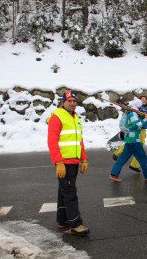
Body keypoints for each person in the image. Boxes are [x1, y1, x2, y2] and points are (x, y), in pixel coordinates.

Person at [47, 89, 90, 236]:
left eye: (74, 101)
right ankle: (75, 224)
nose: (72, 103)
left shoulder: (75, 118)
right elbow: (52, 142)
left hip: (73, 161)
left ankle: (63, 220)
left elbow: (79, 141)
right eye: (69, 101)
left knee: (63, 191)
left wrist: (84, 159)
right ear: (63, 102)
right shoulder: (57, 117)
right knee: (70, 193)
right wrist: (58, 162)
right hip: (63, 162)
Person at [112, 91, 147, 172]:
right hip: (137, 129)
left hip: (142, 129)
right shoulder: (136, 109)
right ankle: (132, 164)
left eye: (145, 99)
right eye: (141, 99)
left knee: (134, 145)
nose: (143, 100)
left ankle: (124, 158)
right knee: (137, 146)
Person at [109, 99, 147, 182]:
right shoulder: (132, 113)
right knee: (143, 158)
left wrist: (145, 117)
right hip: (134, 140)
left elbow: (137, 122)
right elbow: (136, 125)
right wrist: (145, 119)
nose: (140, 108)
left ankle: (114, 174)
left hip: (130, 140)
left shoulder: (132, 112)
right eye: (139, 107)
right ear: (137, 106)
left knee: (122, 158)